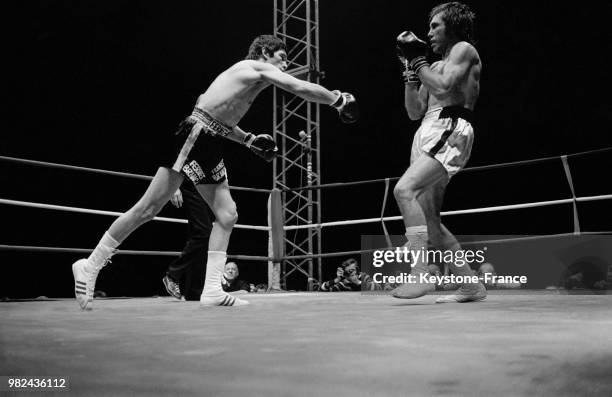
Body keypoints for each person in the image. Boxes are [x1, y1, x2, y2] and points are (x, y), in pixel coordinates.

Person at [72, 34, 358, 310]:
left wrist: (247, 139)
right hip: (195, 136)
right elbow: (297, 87)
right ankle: (90, 265)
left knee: (227, 214)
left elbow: (215, 116)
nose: (285, 64)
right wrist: (337, 100)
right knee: (148, 208)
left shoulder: (246, 80)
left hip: (207, 139)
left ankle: (211, 290)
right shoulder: (253, 67)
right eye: (281, 58)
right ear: (264, 54)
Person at [390, 2, 486, 303]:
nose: (429, 32)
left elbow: (445, 88)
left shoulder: (464, 49)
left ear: (453, 25)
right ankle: (471, 284)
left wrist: (418, 62)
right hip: (428, 130)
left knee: (404, 190)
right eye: (429, 26)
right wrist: (410, 71)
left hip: (451, 125)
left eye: (435, 26)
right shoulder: (429, 66)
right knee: (430, 220)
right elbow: (414, 111)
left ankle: (421, 274)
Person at [162, 180, 213, 301]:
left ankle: (194, 291)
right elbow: (176, 160)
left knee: (201, 235)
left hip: (206, 187)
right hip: (190, 184)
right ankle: (173, 274)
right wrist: (174, 186)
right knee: (204, 232)